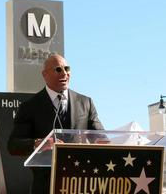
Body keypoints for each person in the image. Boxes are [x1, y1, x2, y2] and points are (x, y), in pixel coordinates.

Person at [7, 54, 104, 194]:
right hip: (46, 186)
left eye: (67, 68)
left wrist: (107, 142)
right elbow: (13, 145)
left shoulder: (85, 103)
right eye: (58, 69)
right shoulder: (30, 107)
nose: (64, 73)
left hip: (80, 183)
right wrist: (38, 144)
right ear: (45, 75)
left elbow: (100, 135)